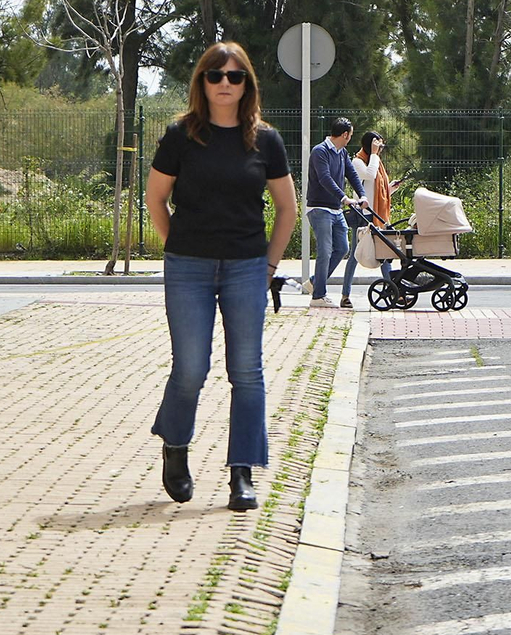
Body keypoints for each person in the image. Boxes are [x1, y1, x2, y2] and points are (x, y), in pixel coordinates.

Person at [146, 41, 296, 511]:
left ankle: (242, 474)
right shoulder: (180, 136)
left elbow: (288, 210)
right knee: (190, 369)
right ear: (202, 83)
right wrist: (180, 246)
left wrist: (268, 266)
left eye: (235, 77)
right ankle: (175, 445)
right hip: (188, 268)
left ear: (247, 83)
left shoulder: (265, 140)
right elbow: (155, 200)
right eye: (216, 76)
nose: (225, 84)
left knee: (246, 373)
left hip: (247, 268)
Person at [307, 117, 367, 308]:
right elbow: (325, 178)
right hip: (319, 208)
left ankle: (315, 281)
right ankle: (318, 296)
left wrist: (362, 195)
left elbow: (352, 175)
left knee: (343, 248)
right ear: (345, 134)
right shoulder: (320, 151)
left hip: (335, 210)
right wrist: (344, 198)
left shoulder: (342, 153)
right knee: (325, 250)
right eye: (350, 134)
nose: (350, 138)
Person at [346, 131, 398, 298]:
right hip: (364, 216)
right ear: (370, 145)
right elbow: (370, 175)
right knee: (355, 255)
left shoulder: (376, 162)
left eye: (381, 146)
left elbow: (376, 190)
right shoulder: (357, 162)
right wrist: (374, 153)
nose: (380, 149)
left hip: (377, 215)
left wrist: (391, 189)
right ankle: (345, 294)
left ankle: (394, 292)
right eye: (378, 146)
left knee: (385, 253)